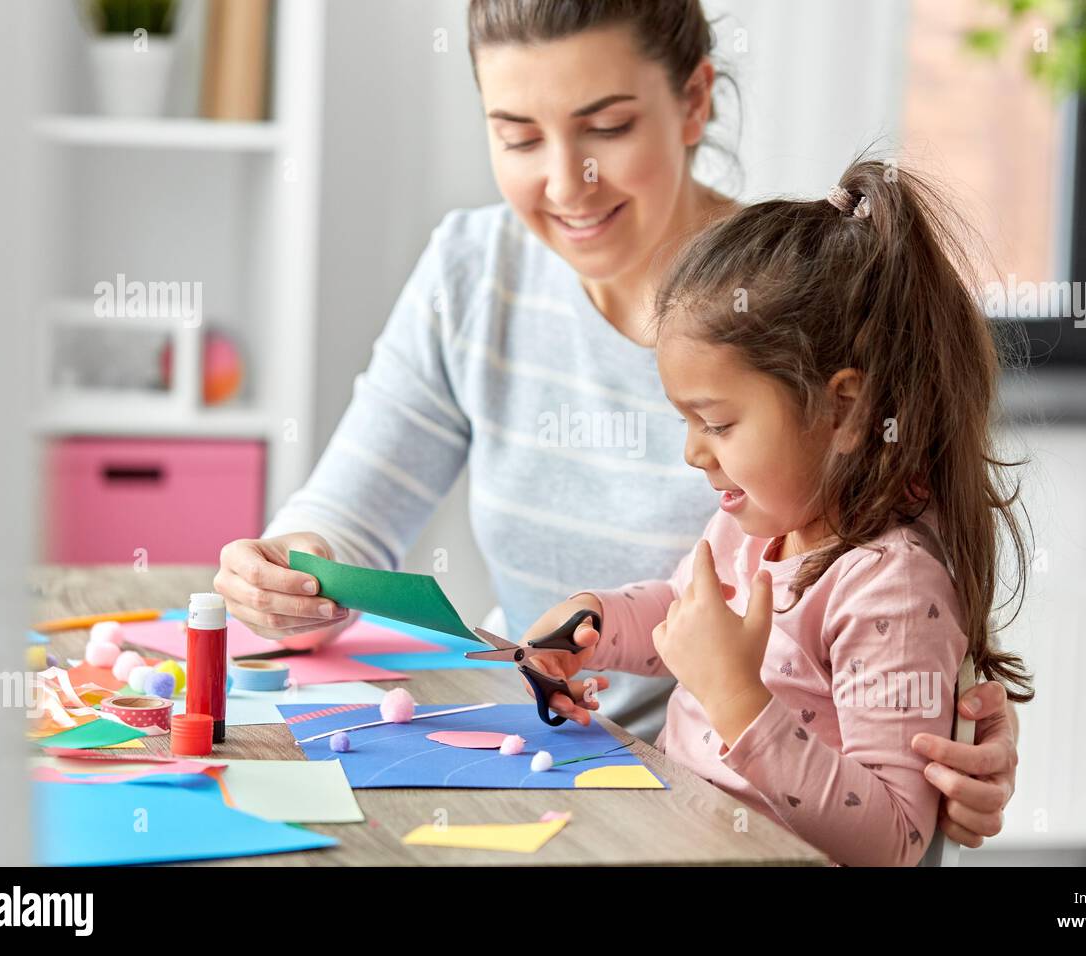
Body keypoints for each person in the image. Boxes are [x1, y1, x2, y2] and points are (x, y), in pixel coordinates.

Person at [214, 0, 1022, 848]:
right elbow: (349, 521)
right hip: (582, 785)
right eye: (520, 137)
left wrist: (957, 721)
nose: (568, 183)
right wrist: (289, 573)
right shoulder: (472, 272)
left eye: (605, 127)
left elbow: (914, 576)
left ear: (694, 101)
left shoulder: (802, 317)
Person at [518, 159, 1034, 864]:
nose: (694, 453)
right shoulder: (751, 525)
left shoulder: (890, 584)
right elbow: (682, 612)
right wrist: (592, 623)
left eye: (718, 424)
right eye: (687, 422)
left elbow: (893, 840)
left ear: (843, 408)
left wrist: (735, 697)